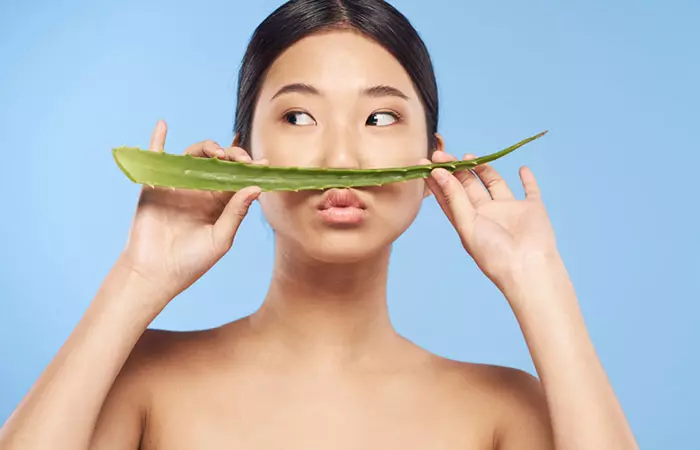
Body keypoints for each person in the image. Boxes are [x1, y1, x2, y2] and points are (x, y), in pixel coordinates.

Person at [0, 1, 638, 449]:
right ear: (241, 152)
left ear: (434, 158)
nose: (340, 158)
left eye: (380, 119)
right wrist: (136, 279)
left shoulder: (506, 410)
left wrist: (540, 284)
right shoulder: (139, 379)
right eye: (299, 117)